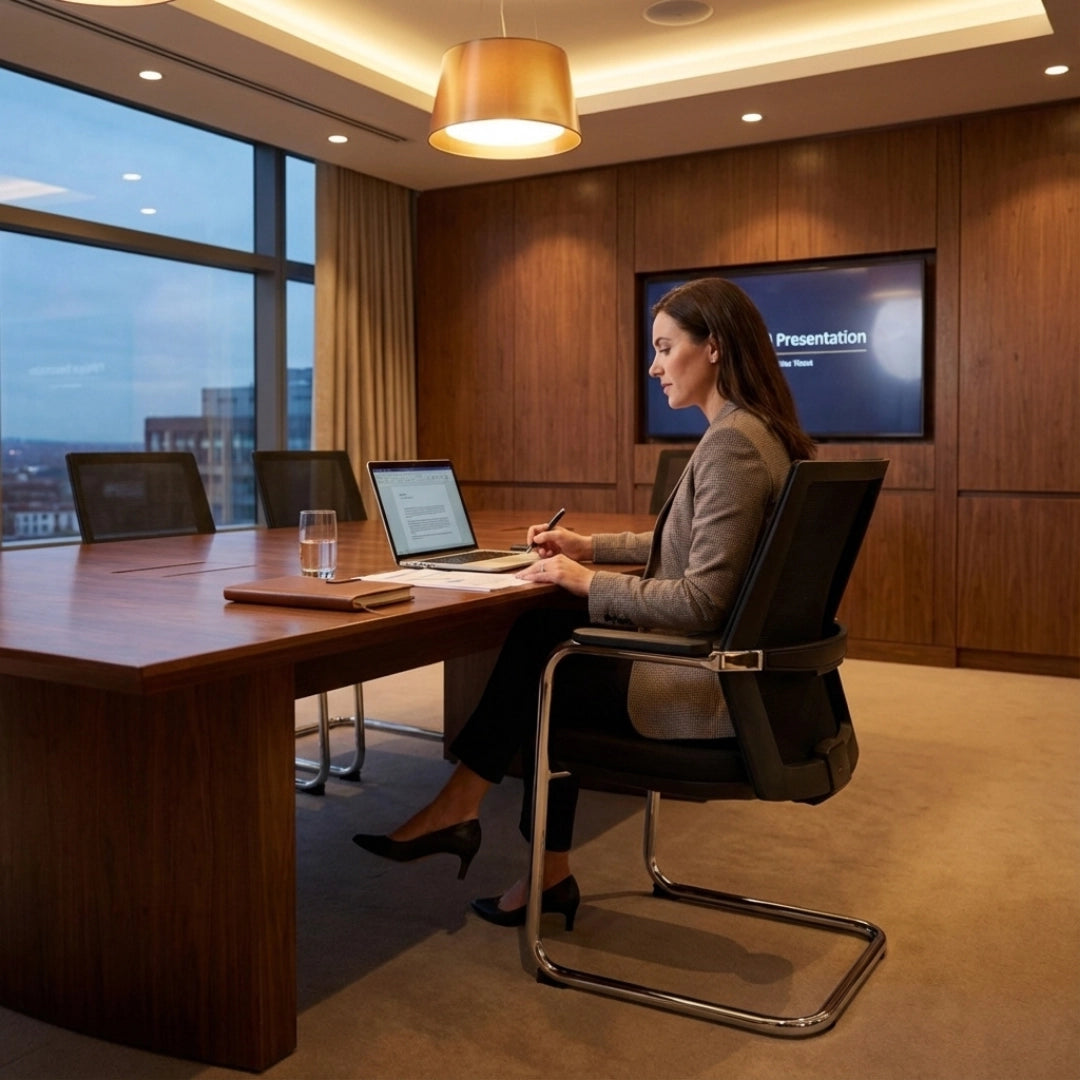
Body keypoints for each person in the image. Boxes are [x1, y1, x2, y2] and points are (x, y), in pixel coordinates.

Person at [353, 277, 816, 928]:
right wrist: (589, 548)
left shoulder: (733, 444)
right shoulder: (758, 432)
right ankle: (523, 855)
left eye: (664, 347)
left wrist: (581, 580)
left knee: (543, 660)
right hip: (747, 678)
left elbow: (702, 600)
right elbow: (691, 539)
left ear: (713, 347)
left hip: (700, 689)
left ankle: (468, 810)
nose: (653, 366)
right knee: (548, 626)